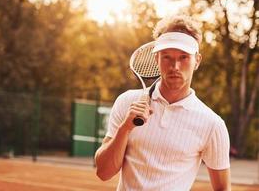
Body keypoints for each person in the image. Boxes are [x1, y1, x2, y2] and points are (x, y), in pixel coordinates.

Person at [94, 14, 231, 191]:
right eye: (167, 57)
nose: (175, 66)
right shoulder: (127, 101)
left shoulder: (213, 124)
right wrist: (125, 128)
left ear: (197, 61)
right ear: (156, 59)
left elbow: (222, 188)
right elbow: (103, 173)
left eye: (183, 57)